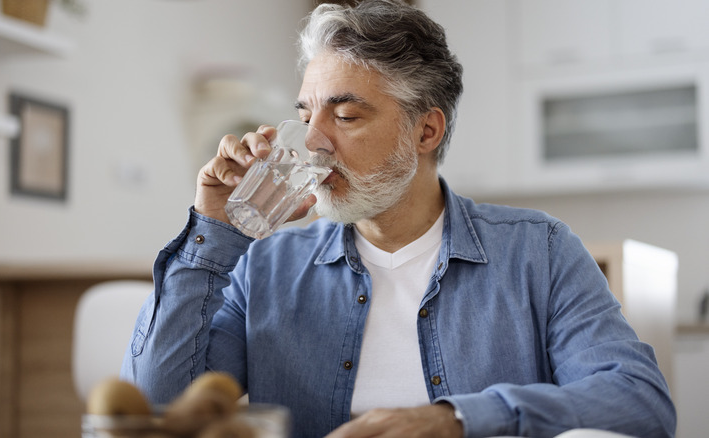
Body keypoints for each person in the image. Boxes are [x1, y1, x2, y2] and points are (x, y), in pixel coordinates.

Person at [121, 1, 676, 437]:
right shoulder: (266, 265)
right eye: (304, 114)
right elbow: (155, 409)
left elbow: (638, 402)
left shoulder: (541, 252)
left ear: (426, 131)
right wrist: (213, 229)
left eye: (344, 115)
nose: (312, 141)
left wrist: (455, 421)